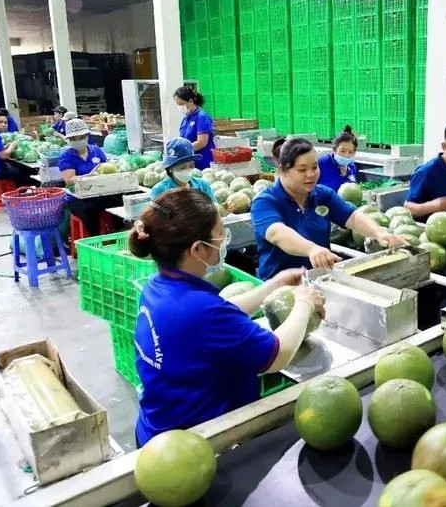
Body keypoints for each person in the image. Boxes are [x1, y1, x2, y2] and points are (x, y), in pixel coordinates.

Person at [128, 188, 325, 446]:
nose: (223, 241)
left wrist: (273, 285)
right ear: (198, 249)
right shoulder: (201, 310)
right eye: (221, 234)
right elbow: (278, 354)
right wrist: (304, 302)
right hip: (196, 445)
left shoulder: (159, 286)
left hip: (156, 431)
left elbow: (219, 313)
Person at [251, 137, 406, 280]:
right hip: (280, 287)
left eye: (314, 167)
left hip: (320, 281)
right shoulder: (265, 202)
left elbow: (352, 217)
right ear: (282, 170)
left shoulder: (322, 195)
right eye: (302, 170)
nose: (311, 174)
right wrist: (311, 249)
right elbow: (277, 233)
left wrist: (379, 233)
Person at [59, 118, 119, 236]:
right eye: (73, 139)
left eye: (81, 137)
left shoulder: (96, 150)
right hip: (77, 198)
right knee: (89, 211)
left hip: (98, 193)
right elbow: (69, 180)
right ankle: (95, 239)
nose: (78, 141)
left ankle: (117, 235)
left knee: (118, 203)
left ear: (86, 136)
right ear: (69, 140)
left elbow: (106, 166)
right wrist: (88, 176)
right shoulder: (66, 156)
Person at [0, 110, 38, 186]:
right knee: (23, 172)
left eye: (6, 123)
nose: (4, 125)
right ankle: (25, 190)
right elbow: (3, 156)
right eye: (0, 122)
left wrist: (7, 146)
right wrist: (12, 145)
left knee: (20, 167)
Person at [150, 137, 216, 203]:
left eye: (191, 166)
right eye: (182, 167)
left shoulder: (203, 185)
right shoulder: (160, 190)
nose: (187, 170)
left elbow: (214, 207)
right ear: (170, 168)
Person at [175, 86, 215, 169]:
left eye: (181, 104)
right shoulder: (186, 118)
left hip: (203, 161)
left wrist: (184, 150)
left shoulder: (202, 116)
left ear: (190, 101)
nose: (179, 107)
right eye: (177, 104)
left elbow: (202, 142)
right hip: (190, 161)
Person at [317, 125, 359, 192]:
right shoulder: (321, 163)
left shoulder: (352, 167)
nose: (346, 155)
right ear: (334, 149)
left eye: (351, 152)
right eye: (342, 151)